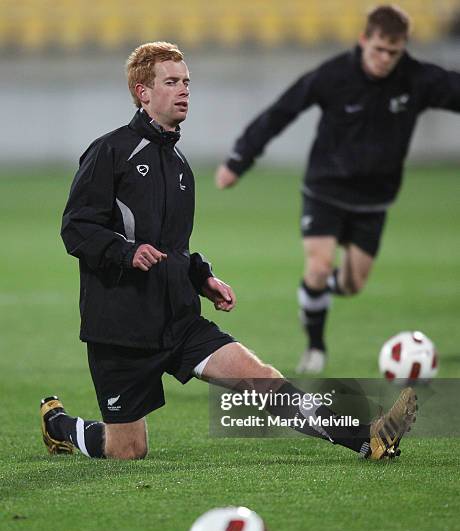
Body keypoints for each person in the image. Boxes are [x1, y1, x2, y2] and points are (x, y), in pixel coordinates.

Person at [40, 41, 417, 462]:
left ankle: (368, 438)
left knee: (260, 377)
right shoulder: (110, 151)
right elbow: (76, 228)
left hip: (177, 319)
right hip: (121, 330)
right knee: (127, 449)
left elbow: (175, 248)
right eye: (171, 82)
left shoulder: (180, 165)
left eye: (187, 82)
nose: (184, 90)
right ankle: (58, 425)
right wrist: (125, 252)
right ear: (142, 91)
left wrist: (202, 278)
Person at [215, 5, 460, 374]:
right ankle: (315, 346)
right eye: (378, 49)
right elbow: (282, 110)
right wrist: (239, 159)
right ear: (364, 40)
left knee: (352, 283)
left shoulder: (417, 79)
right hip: (325, 189)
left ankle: (318, 291)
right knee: (317, 266)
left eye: (393, 53)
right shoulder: (334, 75)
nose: (384, 59)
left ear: (403, 48)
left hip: (374, 199)